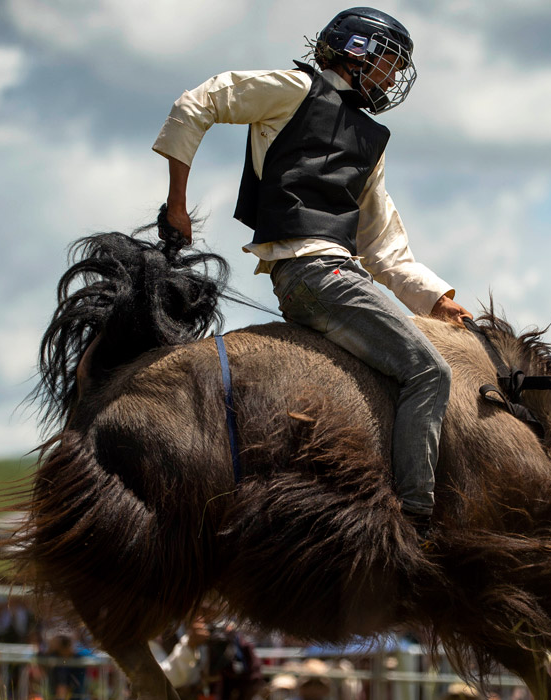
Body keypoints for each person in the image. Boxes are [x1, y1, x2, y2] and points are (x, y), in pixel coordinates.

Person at [154, 7, 472, 535]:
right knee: (429, 373)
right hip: (318, 274)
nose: (393, 78)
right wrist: (177, 205)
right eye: (389, 64)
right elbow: (199, 101)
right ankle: (415, 520)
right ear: (358, 54)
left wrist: (437, 299)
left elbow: (383, 244)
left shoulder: (371, 139)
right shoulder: (291, 89)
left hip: (330, 274)